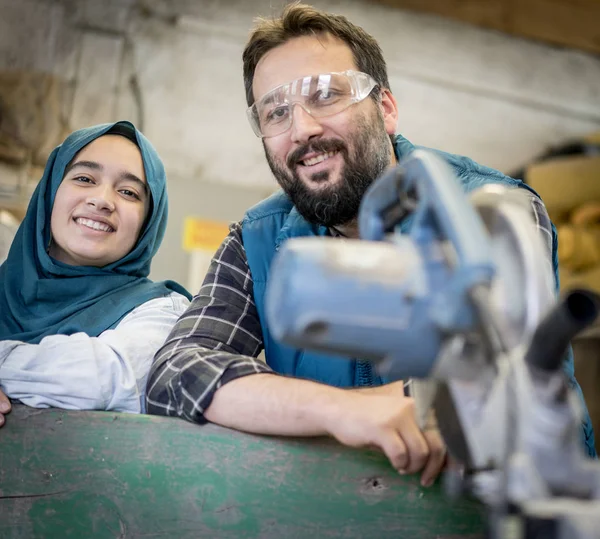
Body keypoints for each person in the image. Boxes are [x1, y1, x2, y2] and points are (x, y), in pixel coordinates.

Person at [146, 2, 596, 483]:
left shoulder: (492, 210)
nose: (302, 130)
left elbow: (504, 386)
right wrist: (344, 411)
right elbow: (176, 375)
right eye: (276, 112)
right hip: (339, 511)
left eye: (324, 95)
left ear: (385, 109)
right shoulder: (257, 239)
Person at [0, 121, 191, 427]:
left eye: (128, 192)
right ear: (50, 192)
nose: (102, 200)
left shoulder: (163, 312)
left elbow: (107, 378)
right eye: (85, 178)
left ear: (148, 221)